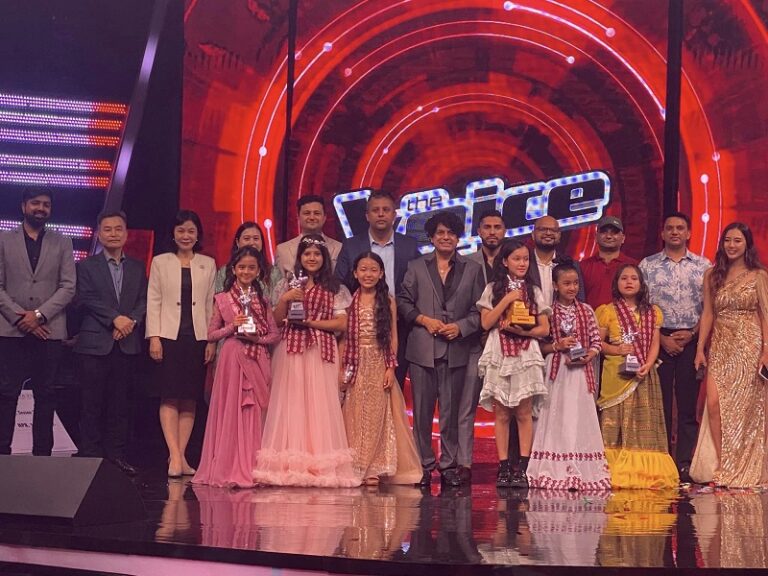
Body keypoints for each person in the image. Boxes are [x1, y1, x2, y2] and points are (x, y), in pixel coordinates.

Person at [252, 234, 358, 487]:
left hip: (321, 350)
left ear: (324, 258)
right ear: (299, 257)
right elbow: (275, 321)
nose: (312, 258)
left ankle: (319, 463)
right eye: (307, 254)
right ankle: (290, 463)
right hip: (291, 349)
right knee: (291, 402)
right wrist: (285, 300)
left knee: (320, 403)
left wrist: (311, 323)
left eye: (317, 254)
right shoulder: (286, 284)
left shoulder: (335, 287)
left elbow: (341, 323)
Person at [397, 211, 484, 487]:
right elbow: (403, 302)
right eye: (440, 233)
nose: (446, 237)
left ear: (458, 238)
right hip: (422, 350)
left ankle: (448, 465)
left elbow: (480, 310)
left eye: (451, 233)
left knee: (451, 413)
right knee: (421, 413)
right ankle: (423, 464)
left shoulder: (472, 269)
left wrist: (461, 327)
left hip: (456, 349)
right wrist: (424, 320)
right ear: (432, 238)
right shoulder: (416, 266)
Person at [193, 246, 280, 488]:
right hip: (232, 358)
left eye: (251, 267)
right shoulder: (222, 299)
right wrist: (233, 326)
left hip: (257, 357)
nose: (246, 271)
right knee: (231, 410)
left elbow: (274, 335)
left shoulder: (263, 300)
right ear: (233, 269)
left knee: (254, 412)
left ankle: (253, 466)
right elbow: (211, 334)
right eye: (242, 267)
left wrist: (257, 339)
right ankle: (228, 465)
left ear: (258, 271)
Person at [690, 222, 768, 488]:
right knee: (714, 404)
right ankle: (724, 464)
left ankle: (742, 465)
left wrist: (765, 350)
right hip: (721, 345)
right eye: (727, 240)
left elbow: (765, 315)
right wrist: (700, 349)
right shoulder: (712, 275)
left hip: (749, 345)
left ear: (747, 245)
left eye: (737, 241)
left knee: (744, 409)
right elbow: (708, 314)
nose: (731, 245)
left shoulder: (758, 276)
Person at [0, 188, 75, 456]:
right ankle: (2, 457)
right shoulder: (3, 239)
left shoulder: (63, 242)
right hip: (11, 331)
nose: (40, 208)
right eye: (35, 203)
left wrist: (39, 315)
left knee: (46, 394)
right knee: (6, 394)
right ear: (24, 206)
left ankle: (43, 458)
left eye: (46, 204)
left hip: (49, 330)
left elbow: (68, 286)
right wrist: (22, 317)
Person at [73, 211, 147, 475]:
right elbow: (86, 298)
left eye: (118, 229)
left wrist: (131, 322)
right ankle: (90, 456)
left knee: (120, 405)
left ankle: (116, 457)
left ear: (126, 234)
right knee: (91, 403)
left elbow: (144, 300)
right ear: (99, 233)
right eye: (108, 229)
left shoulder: (138, 267)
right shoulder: (86, 266)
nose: (113, 234)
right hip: (95, 344)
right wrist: (115, 319)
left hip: (126, 343)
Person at [639, 212, 710, 484]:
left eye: (680, 228)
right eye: (670, 228)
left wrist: (692, 335)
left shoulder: (703, 266)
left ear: (689, 233)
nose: (675, 232)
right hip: (658, 340)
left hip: (692, 340)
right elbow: (641, 308)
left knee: (688, 406)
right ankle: (663, 461)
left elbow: (710, 309)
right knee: (661, 405)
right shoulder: (648, 266)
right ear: (662, 233)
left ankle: (684, 463)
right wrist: (662, 339)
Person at [339, 252, 422, 486]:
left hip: (378, 360)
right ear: (355, 273)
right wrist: (341, 366)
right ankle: (355, 464)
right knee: (354, 413)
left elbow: (393, 337)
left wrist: (390, 368)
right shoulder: (349, 300)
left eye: (373, 270)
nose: (368, 274)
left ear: (381, 273)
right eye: (363, 269)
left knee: (377, 414)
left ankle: (374, 467)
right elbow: (344, 336)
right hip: (355, 361)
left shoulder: (388, 301)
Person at [527, 262, 610, 491]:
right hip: (557, 371)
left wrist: (588, 355)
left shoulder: (587, 310)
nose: (572, 288)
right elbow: (539, 346)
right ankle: (554, 466)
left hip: (580, 372)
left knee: (577, 416)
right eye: (566, 283)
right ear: (555, 285)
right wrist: (558, 345)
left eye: (575, 283)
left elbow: (596, 341)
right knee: (556, 415)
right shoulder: (548, 311)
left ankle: (580, 464)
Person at [146, 210, 217, 477]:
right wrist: (154, 336)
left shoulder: (208, 263)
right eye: (181, 231)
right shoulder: (160, 262)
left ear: (198, 235)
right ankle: (174, 456)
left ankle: (181, 456)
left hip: (197, 338)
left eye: (191, 231)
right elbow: (153, 300)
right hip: (168, 337)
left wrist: (211, 340)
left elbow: (210, 305)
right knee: (170, 395)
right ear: (173, 234)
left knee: (189, 398)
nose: (186, 236)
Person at [596, 264, 679, 489]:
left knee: (644, 421)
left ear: (642, 284)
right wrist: (617, 350)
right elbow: (598, 343)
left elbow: (654, 344)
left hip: (644, 374)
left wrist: (649, 364)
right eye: (624, 278)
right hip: (616, 374)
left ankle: (645, 472)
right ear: (616, 284)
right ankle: (612, 469)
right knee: (616, 420)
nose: (629, 282)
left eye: (634, 278)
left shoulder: (652, 312)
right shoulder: (607, 311)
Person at [477, 239, 551, 489]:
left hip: (526, 352)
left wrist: (523, 332)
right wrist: (507, 299)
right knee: (501, 413)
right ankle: (503, 467)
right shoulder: (492, 288)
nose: (522, 263)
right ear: (505, 261)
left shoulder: (534, 291)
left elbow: (544, 329)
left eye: (525, 259)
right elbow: (486, 323)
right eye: (516, 259)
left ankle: (523, 467)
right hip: (499, 350)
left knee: (523, 412)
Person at [334, 191, 420, 386]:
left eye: (386, 210)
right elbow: (340, 283)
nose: (381, 214)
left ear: (394, 214)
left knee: (394, 381)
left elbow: (417, 284)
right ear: (367, 215)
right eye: (375, 210)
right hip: (360, 326)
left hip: (400, 324)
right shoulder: (351, 245)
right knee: (359, 385)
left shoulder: (409, 245)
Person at [466, 210, 512, 481]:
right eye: (487, 227)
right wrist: (480, 329)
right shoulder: (466, 262)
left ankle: (512, 464)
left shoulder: (516, 260)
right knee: (466, 407)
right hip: (472, 342)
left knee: (512, 406)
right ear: (479, 231)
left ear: (504, 231)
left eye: (497, 227)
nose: (492, 231)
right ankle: (462, 464)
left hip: (511, 343)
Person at [275, 195, 342, 278]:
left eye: (317, 213)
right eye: (307, 213)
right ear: (298, 217)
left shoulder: (339, 248)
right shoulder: (283, 250)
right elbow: (278, 282)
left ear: (325, 217)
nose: (312, 217)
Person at [213, 221, 281, 302]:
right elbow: (219, 303)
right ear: (237, 242)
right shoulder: (224, 272)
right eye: (246, 238)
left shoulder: (273, 273)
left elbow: (278, 304)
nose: (252, 243)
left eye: (256, 238)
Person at [580, 216, 637, 310]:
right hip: (590, 318)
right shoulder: (583, 266)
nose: (609, 236)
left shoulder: (634, 266)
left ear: (623, 238)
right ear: (596, 237)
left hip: (626, 318)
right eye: (604, 232)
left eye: (614, 232)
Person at [528, 215, 585, 303]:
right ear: (533, 234)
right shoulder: (524, 264)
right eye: (543, 229)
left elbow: (579, 299)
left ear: (559, 235)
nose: (548, 233)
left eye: (553, 230)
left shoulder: (571, 264)